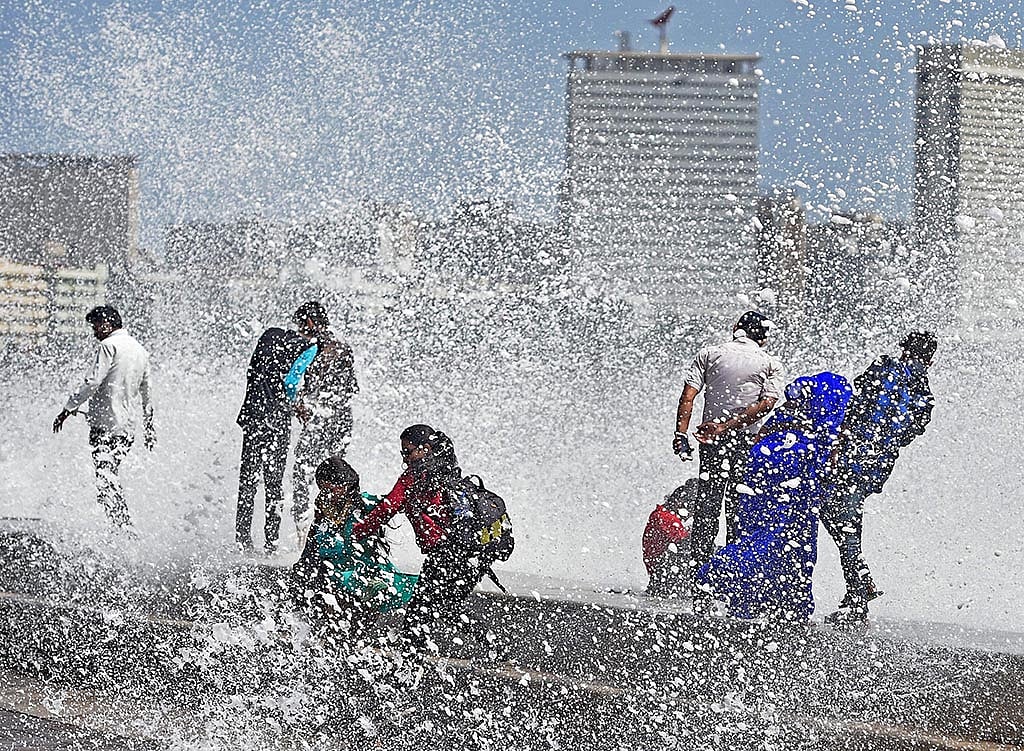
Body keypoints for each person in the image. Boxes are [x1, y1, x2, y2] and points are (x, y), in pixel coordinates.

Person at [695, 372, 853, 622]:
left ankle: (748, 599)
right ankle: (773, 596)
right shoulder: (824, 413)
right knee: (791, 539)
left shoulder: (783, 413)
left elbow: (761, 436)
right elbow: (827, 448)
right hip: (795, 468)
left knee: (757, 530)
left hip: (761, 462)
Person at [821, 331, 937, 623]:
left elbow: (854, 404)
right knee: (847, 517)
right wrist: (884, 445)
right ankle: (858, 586)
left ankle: (859, 592)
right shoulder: (925, 395)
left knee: (833, 513)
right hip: (876, 465)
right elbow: (911, 432)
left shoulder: (884, 368)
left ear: (904, 350)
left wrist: (839, 441)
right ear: (930, 360)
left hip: (850, 454)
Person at [673, 311, 785, 577]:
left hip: (710, 439)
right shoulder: (770, 363)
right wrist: (729, 426)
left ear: (736, 328)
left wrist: (681, 434)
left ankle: (700, 577)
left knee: (707, 505)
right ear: (764, 337)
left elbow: (688, 396)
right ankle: (733, 576)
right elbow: (766, 405)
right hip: (747, 442)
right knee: (738, 508)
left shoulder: (710, 354)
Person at [352, 425, 483, 649]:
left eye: (409, 451)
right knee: (447, 608)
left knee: (417, 615)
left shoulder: (413, 478)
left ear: (426, 448)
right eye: (403, 452)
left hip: (444, 555)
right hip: (471, 555)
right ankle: (493, 645)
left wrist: (355, 533)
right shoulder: (449, 470)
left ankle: (407, 672)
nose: (405, 457)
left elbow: (388, 508)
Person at [53, 305, 154, 528]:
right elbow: (147, 394)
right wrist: (149, 428)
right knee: (109, 475)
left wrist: (67, 409)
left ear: (107, 323)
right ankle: (121, 524)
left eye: (96, 326)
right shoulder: (140, 350)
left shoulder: (109, 346)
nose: (94, 331)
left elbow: (92, 381)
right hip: (126, 429)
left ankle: (122, 528)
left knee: (105, 478)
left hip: (105, 426)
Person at [293, 456, 417, 634]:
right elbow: (312, 545)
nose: (325, 494)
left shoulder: (366, 504)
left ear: (344, 485)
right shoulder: (322, 509)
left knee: (361, 617)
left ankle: (354, 642)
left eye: (330, 488)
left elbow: (395, 504)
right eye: (322, 488)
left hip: (365, 572)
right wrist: (302, 569)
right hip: (333, 575)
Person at [235, 306, 318, 554]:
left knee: (247, 481)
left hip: (253, 415)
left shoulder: (269, 335)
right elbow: (291, 382)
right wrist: (295, 406)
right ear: (312, 323)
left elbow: (253, 372)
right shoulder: (309, 347)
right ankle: (271, 542)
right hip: (276, 419)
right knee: (274, 483)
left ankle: (243, 540)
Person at [290, 302, 358, 533]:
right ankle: (339, 528)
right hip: (342, 420)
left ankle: (303, 529)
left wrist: (299, 405)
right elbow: (351, 389)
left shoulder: (315, 347)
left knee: (302, 471)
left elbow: (298, 381)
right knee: (337, 476)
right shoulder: (343, 346)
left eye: (301, 324)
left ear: (309, 321)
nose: (299, 330)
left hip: (321, 420)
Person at [642, 480, 696, 598]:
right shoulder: (665, 517)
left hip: (661, 574)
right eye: (692, 507)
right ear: (680, 502)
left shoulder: (663, 514)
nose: (692, 514)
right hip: (663, 577)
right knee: (700, 548)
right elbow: (687, 543)